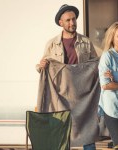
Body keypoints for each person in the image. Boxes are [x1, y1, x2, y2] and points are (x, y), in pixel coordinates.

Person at [36, 4, 98, 150]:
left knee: (87, 131)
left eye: (74, 19)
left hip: (83, 97)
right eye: (68, 20)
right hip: (61, 96)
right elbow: (43, 68)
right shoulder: (52, 44)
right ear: (61, 23)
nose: (72, 23)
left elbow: (95, 65)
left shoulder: (86, 42)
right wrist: (41, 65)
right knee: (61, 132)